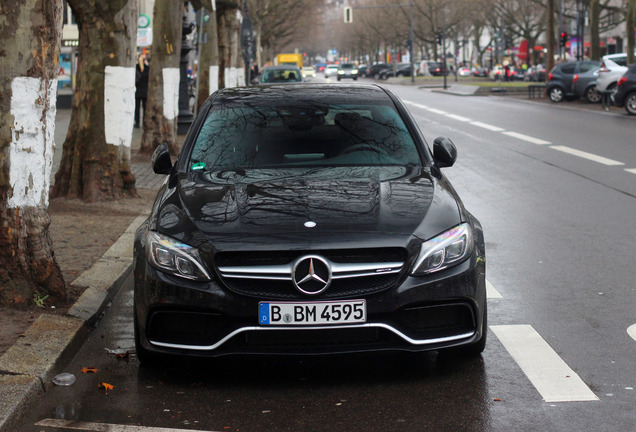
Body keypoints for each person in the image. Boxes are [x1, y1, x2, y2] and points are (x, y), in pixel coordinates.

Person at [135, 53, 150, 128]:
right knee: (144, 108)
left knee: (137, 108)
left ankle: (137, 122)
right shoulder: (147, 68)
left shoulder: (137, 68)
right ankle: (144, 122)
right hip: (144, 91)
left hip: (138, 91)